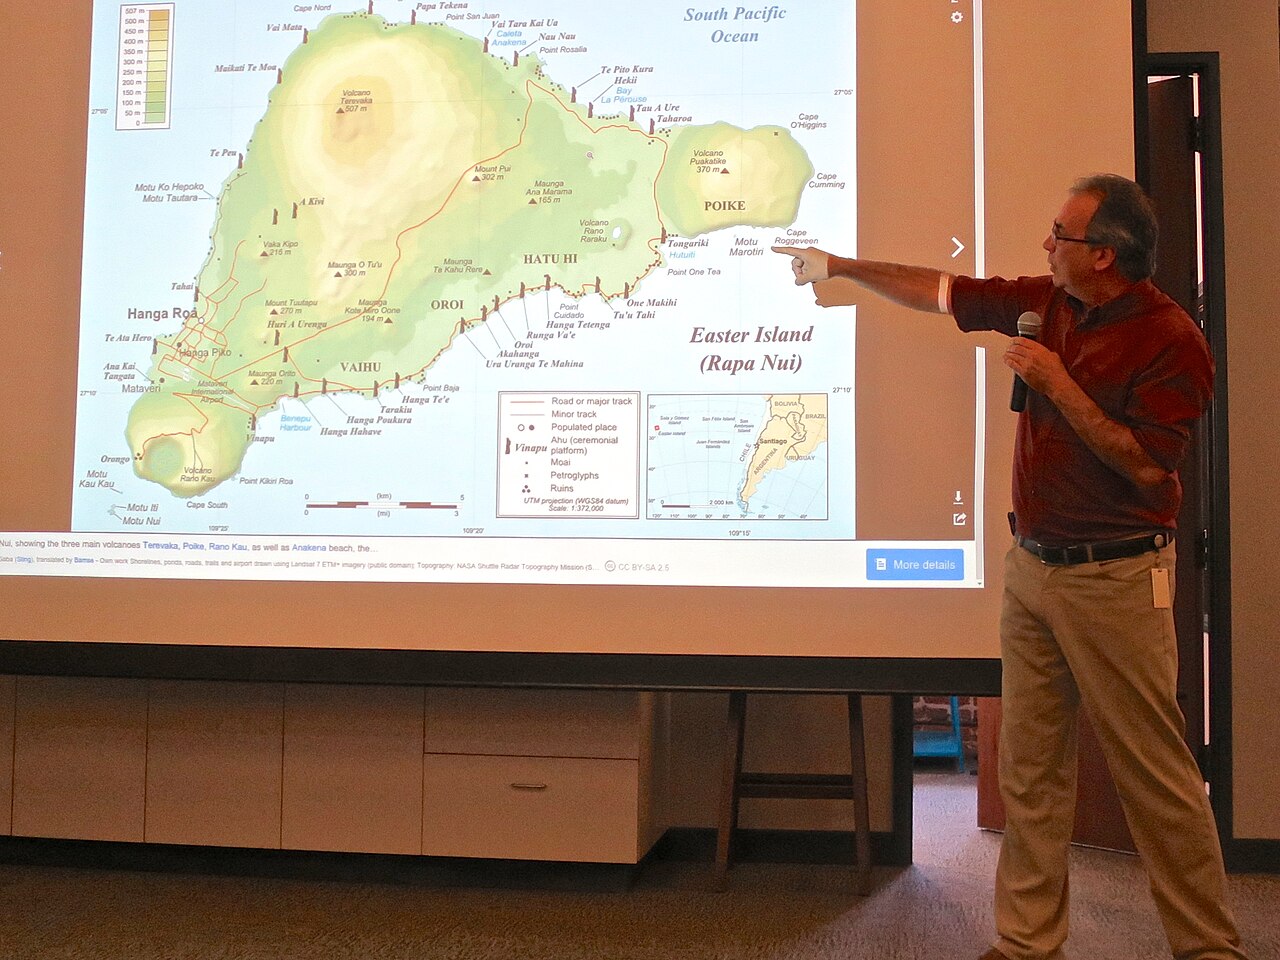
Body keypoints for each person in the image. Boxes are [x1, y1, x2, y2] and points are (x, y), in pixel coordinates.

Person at [774, 174, 1248, 960]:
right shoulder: (1048, 302)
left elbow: (1146, 468)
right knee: (1030, 773)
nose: (1045, 245)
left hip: (1118, 577)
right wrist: (844, 266)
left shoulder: (1172, 340)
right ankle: (1028, 942)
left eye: (1059, 235)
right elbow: (941, 291)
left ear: (1103, 255)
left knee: (1156, 779)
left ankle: (1208, 947)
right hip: (1032, 569)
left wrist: (1057, 385)